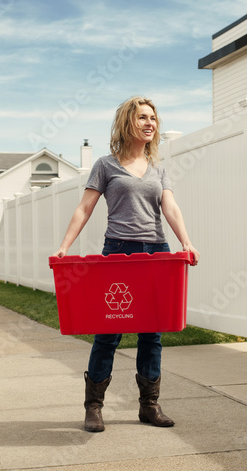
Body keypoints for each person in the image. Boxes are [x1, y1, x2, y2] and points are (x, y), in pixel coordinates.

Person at [53, 96, 199, 432]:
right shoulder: (106, 165)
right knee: (108, 332)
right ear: (126, 123)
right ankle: (94, 407)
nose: (150, 123)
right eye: (143, 118)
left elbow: (170, 208)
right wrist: (64, 247)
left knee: (153, 333)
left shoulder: (158, 169)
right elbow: (84, 208)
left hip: (156, 253)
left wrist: (186, 243)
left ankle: (149, 406)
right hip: (118, 253)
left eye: (153, 118)